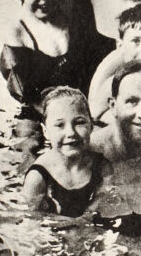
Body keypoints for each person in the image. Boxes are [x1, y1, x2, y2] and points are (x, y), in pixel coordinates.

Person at [0, 0, 110, 121]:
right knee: (29, 140)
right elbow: (26, 95)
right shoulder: (17, 33)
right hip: (40, 110)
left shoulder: (72, 17)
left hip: (86, 104)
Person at [22, 88, 105, 216]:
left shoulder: (102, 165)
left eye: (79, 122)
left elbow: (104, 200)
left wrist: (86, 220)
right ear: (45, 132)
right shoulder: (37, 178)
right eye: (60, 125)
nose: (71, 133)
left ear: (91, 126)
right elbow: (32, 222)